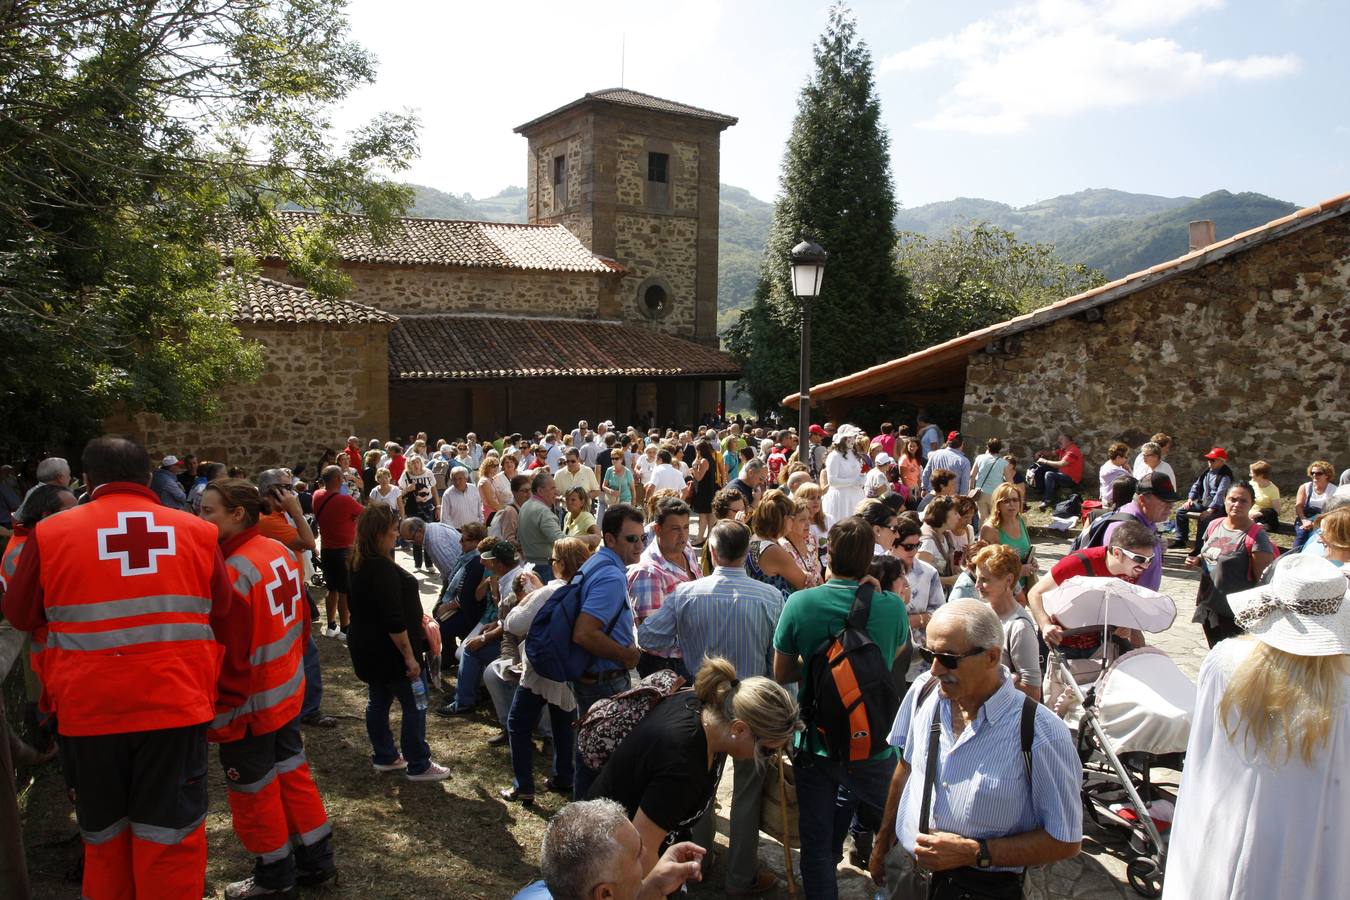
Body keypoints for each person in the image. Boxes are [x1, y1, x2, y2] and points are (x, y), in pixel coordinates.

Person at [2, 436, 237, 899]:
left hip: (88, 711)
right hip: (175, 706)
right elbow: (223, 606)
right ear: (149, 479)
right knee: (170, 835)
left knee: (104, 835)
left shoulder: (50, 535)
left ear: (87, 480)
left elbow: (22, 614)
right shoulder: (197, 531)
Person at [1163, 555, 1350, 900]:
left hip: (1221, 821)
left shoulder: (1223, 660)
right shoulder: (1342, 689)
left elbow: (1205, 747)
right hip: (1305, 845)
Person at [871, 600, 1083, 898]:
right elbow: (905, 770)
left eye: (948, 658)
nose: (934, 668)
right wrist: (882, 845)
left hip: (981, 889)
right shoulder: (923, 692)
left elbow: (1066, 840)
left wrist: (975, 852)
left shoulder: (1042, 734)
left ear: (992, 656)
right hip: (908, 876)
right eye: (928, 654)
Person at [198, 480, 336, 896]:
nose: (200, 519)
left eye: (208, 511)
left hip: (250, 708)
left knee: (253, 792)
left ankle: (274, 876)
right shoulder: (277, 550)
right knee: (292, 775)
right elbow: (298, 628)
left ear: (237, 514)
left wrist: (221, 711)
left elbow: (231, 655)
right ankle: (316, 860)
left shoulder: (234, 570)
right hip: (285, 693)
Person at [636, 519, 788, 890]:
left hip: (703, 706)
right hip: (755, 709)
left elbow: (648, 635)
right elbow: (777, 658)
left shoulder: (687, 593)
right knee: (746, 794)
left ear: (713, 552)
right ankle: (740, 876)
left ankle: (698, 862)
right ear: (745, 554)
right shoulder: (769, 597)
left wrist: (686, 641)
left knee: (699, 785)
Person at [772, 517, 909, 900]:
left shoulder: (800, 603)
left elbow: (782, 671)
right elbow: (889, 658)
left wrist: (822, 667)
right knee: (898, 827)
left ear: (827, 553)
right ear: (870, 560)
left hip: (816, 739)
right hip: (875, 741)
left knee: (815, 843)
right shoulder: (891, 607)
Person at [588, 658, 800, 879]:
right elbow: (642, 851)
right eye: (766, 750)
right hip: (608, 865)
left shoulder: (709, 713)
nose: (768, 759)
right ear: (739, 728)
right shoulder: (683, 764)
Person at [346, 504, 449, 781]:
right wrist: (410, 658)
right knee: (416, 702)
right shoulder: (381, 569)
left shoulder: (359, 561)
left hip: (368, 647)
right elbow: (393, 620)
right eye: (393, 530)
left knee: (378, 699)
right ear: (379, 533)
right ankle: (418, 762)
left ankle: (386, 755)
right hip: (390, 651)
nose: (396, 535)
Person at [500, 538, 591, 804]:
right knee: (564, 724)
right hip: (570, 670)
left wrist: (525, 598)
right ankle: (564, 775)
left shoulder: (549, 592)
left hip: (540, 672)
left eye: (553, 560)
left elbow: (513, 624)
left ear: (561, 564)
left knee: (518, 724)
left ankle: (523, 785)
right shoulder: (588, 588)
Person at [570, 504, 646, 799]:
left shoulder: (599, 564)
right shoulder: (610, 577)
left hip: (594, 678)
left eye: (642, 538)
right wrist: (626, 657)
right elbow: (584, 632)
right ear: (609, 538)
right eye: (631, 539)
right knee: (601, 766)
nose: (639, 546)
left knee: (588, 758)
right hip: (604, 681)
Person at [254, 469, 333, 729]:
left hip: (290, 588)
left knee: (301, 651)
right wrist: (296, 511)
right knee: (305, 652)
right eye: (287, 488)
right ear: (273, 491)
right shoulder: (268, 519)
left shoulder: (276, 515)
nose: (292, 493)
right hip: (286, 592)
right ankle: (308, 708)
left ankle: (301, 704)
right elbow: (309, 543)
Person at [513, 799, 706, 900]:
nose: (646, 854)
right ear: (605, 894)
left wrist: (655, 886)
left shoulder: (539, 891)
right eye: (638, 855)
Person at [1027, 520, 1160, 652]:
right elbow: (1034, 593)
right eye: (1139, 559)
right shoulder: (1077, 563)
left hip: (1100, 644)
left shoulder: (1133, 570)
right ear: (1117, 553)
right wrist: (1045, 625)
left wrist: (1125, 625)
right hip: (1061, 642)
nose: (1145, 566)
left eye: (1150, 559)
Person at [1185, 482, 1276, 647]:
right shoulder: (1214, 525)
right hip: (1210, 607)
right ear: (1224, 500)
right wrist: (1198, 559)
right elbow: (1210, 553)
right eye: (1232, 499)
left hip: (1235, 615)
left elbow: (1263, 582)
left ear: (1252, 504)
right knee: (1214, 655)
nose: (1237, 504)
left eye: (1243, 501)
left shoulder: (1256, 537)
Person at [629, 497, 699, 678]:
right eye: (675, 529)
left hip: (691, 659)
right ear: (657, 529)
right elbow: (649, 637)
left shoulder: (686, 549)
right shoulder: (648, 573)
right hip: (667, 667)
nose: (683, 535)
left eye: (686, 527)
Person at [972, 545, 1041, 701]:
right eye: (976, 577)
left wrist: (993, 682)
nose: (977, 585)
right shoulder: (980, 612)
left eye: (984, 580)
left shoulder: (1019, 627)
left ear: (1008, 580)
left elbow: (1033, 692)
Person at [1100, 471, 1179, 591]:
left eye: (1172, 501)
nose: (1171, 506)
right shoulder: (1125, 529)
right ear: (1142, 500)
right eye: (1164, 501)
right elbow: (1119, 586)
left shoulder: (1146, 521)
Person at [312, 465, 363, 639]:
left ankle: (331, 625)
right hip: (344, 550)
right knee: (344, 591)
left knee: (331, 588)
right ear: (337, 479)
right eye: (341, 477)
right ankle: (345, 628)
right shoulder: (345, 500)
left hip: (327, 549)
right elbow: (363, 513)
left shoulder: (317, 496)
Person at [746, 489, 811, 600]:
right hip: (775, 611)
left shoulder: (755, 539)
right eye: (792, 517)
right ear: (785, 519)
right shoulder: (772, 550)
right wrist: (807, 575)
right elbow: (803, 583)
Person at [1172, 447, 1234, 552]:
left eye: (1212, 460)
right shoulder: (1207, 472)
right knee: (1180, 511)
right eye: (1209, 459)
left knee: (1204, 519)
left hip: (1218, 508)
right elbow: (1196, 486)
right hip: (1203, 503)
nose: (1209, 462)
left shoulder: (1225, 476)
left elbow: (1220, 494)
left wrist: (1211, 510)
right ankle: (1180, 540)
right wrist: (1190, 499)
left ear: (1221, 461)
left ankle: (1199, 548)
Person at [979, 483, 1037, 594]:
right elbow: (985, 567)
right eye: (1006, 501)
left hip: (1022, 588)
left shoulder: (1021, 520)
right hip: (1002, 592)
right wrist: (1019, 571)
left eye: (1015, 500)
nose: (1012, 504)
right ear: (998, 504)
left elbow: (1023, 550)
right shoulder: (990, 529)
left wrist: (1032, 561)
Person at [821, 425, 865, 523]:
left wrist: (862, 479)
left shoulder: (853, 454)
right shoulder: (834, 456)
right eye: (850, 437)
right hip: (841, 499)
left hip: (856, 496)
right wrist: (853, 482)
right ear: (842, 439)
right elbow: (832, 481)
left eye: (854, 437)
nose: (853, 440)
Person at [918, 496, 962, 589]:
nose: (959, 516)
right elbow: (920, 575)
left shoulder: (945, 535)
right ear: (943, 514)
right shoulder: (927, 541)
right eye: (955, 513)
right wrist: (950, 580)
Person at [780, 495, 824, 587]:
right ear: (789, 522)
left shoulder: (810, 538)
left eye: (808, 518)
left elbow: (817, 575)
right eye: (802, 520)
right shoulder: (782, 547)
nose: (808, 523)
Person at [1293, 459, 1337, 552]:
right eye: (1313, 473)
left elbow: (1334, 511)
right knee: (1301, 537)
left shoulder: (1333, 490)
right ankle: (1294, 558)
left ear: (1327, 475)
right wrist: (1304, 520)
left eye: (1318, 473)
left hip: (1324, 520)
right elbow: (1299, 506)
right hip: (1305, 519)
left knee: (1319, 538)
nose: (1314, 475)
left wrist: (1318, 522)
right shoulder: (1305, 487)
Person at [1033, 429, 1083, 510]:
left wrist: (1045, 461)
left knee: (1049, 474)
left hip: (1071, 479)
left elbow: (1061, 464)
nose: (1058, 442)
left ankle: (1048, 499)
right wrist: (1041, 452)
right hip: (1062, 473)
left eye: (1061, 440)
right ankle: (1041, 491)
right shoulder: (1064, 449)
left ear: (1068, 441)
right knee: (1042, 468)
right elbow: (1052, 453)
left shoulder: (1073, 451)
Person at [922, 431, 972, 499]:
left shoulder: (935, 454)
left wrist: (924, 488)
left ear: (947, 442)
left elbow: (926, 473)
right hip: (951, 500)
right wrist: (962, 501)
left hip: (933, 495)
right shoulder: (964, 461)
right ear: (962, 444)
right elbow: (965, 484)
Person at [970, 437, 1006, 520]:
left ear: (988, 447)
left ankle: (982, 533)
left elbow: (972, 475)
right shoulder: (1004, 463)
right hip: (995, 494)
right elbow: (1009, 481)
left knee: (982, 518)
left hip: (980, 492)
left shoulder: (979, 458)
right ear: (999, 449)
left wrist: (971, 489)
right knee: (994, 518)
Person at [440, 466, 482, 531]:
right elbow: (445, 517)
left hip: (475, 529)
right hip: (457, 530)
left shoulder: (474, 489)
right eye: (454, 479)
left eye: (460, 479)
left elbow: (480, 508)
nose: (457, 482)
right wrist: (453, 532)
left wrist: (481, 523)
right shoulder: (448, 494)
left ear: (466, 478)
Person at [1246, 459, 1281, 532]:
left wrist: (1258, 514)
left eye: (1252, 473)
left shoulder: (1273, 490)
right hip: (1248, 514)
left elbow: (1277, 511)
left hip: (1262, 517)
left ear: (1261, 475)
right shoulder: (1251, 484)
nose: (1250, 475)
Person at [1098, 442, 1132, 506]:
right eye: (1126, 456)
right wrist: (1129, 469)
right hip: (1113, 504)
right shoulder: (1118, 471)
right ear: (1118, 457)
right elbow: (1133, 481)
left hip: (1105, 499)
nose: (1126, 459)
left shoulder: (1106, 465)